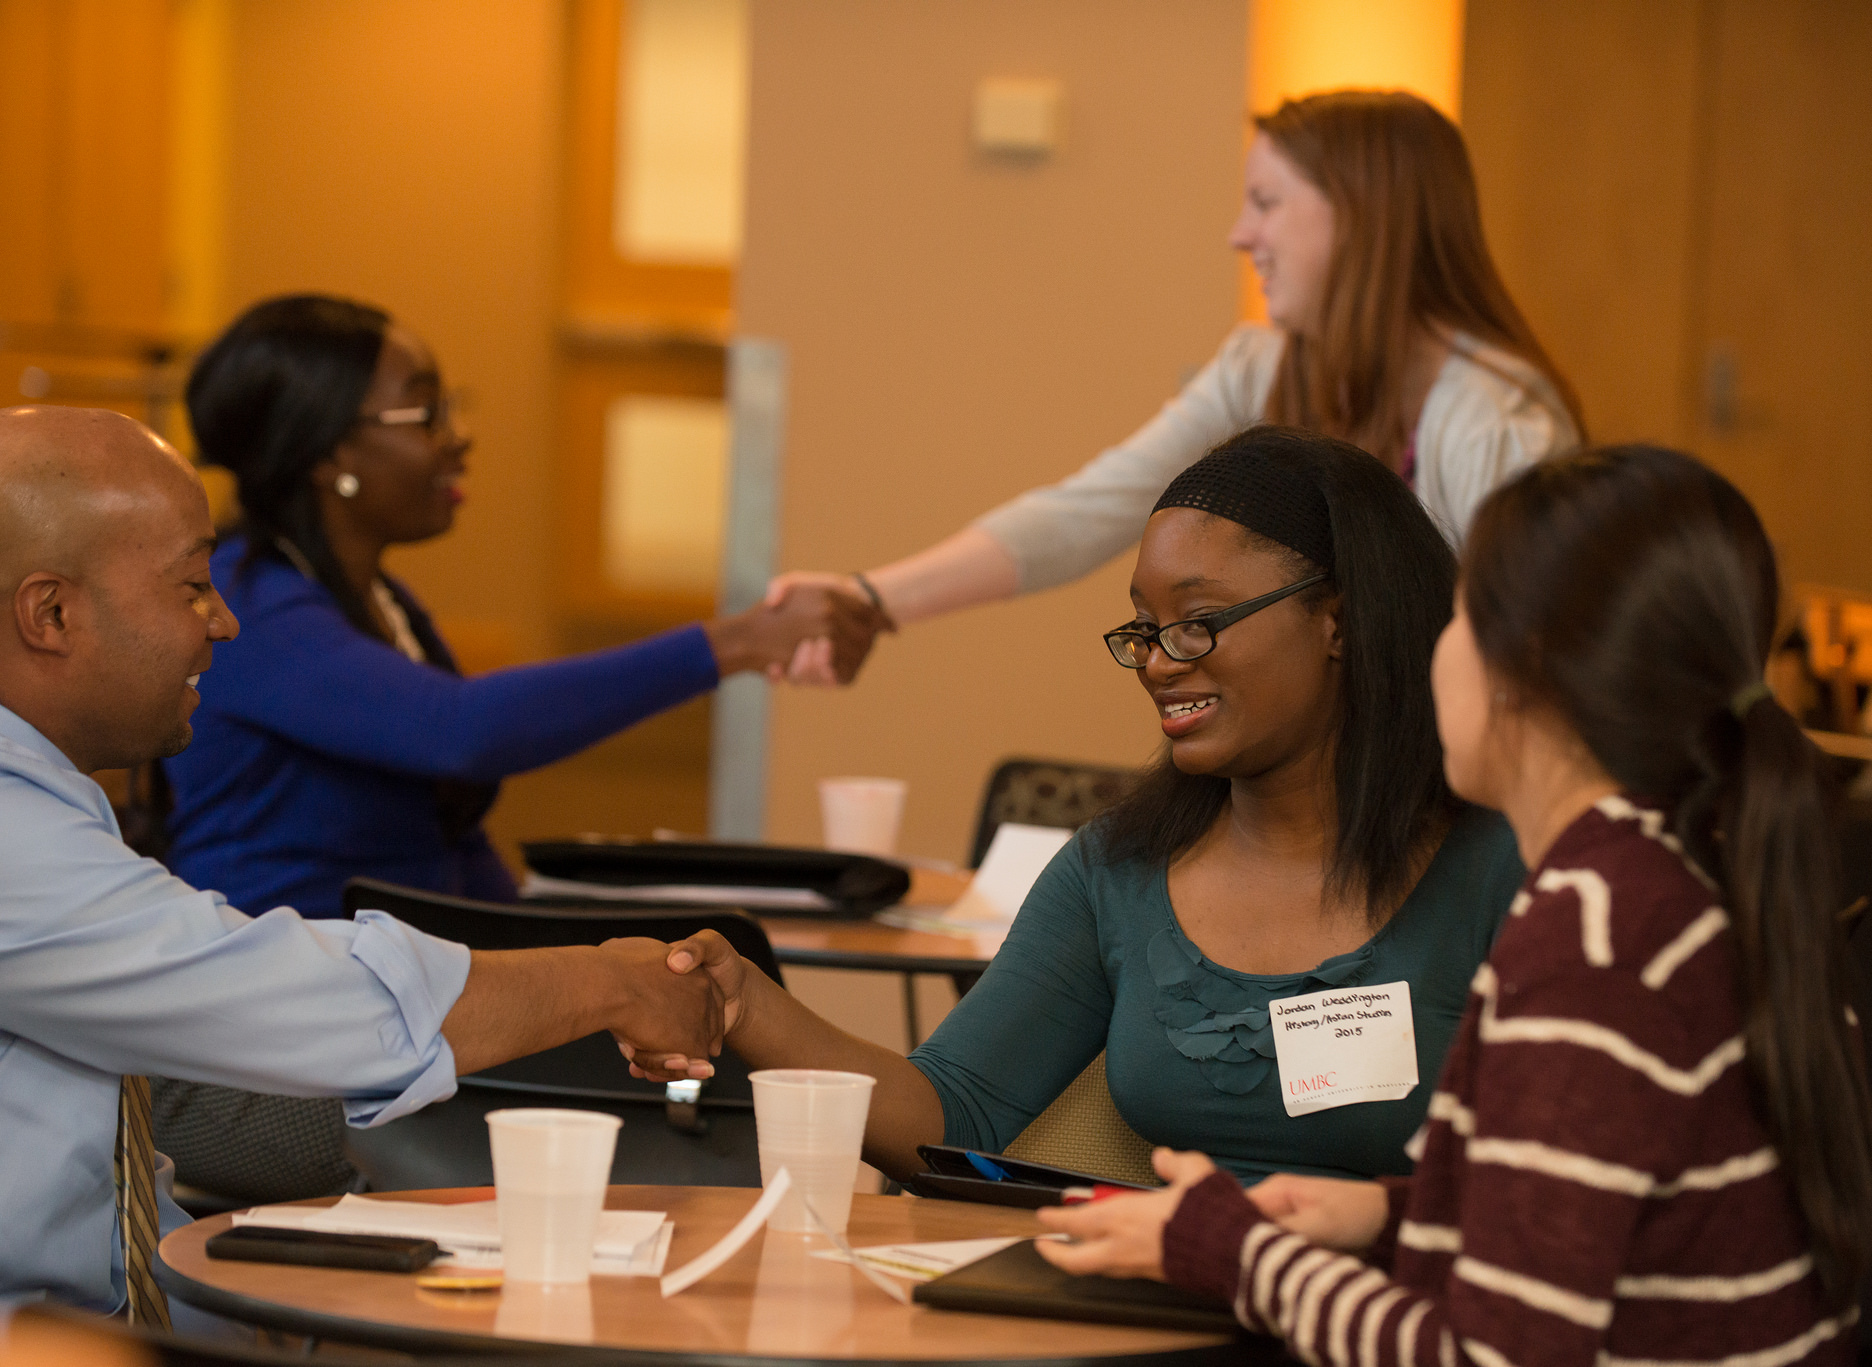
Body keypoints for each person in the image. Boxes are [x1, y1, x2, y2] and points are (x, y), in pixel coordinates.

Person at [0, 405, 726, 1318]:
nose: (223, 622)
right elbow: (297, 997)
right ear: (51, 612)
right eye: (189, 586)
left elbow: (108, 1203)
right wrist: (610, 980)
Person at [1037, 446, 1872, 1365]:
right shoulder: (1665, 883)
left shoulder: (1590, 939)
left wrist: (1231, 1251)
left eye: (1463, 618)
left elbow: (1490, 1357)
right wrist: (1392, 1215)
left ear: (1526, 668)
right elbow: (1608, 1233)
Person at [632, 427, 1526, 1186]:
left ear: (1341, 619)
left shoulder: (1505, 868)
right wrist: (743, 1002)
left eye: (1198, 620)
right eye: (1144, 627)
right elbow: (956, 1114)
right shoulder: (1120, 868)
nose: (1160, 662)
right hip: (1160, 1328)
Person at [767, 89, 1582, 682]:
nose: (1240, 235)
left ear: (1365, 218)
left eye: (1266, 203)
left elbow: (1520, 675)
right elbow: (1087, 510)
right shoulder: (1261, 368)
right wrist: (868, 597)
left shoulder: (1495, 424)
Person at [161, 294, 888, 919]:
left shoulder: (382, 604)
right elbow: (465, 729)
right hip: (280, 1041)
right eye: (427, 412)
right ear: (329, 455)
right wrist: (733, 643)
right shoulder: (246, 606)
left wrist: (563, 982)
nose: (459, 437)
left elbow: (449, 839)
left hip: (393, 1009)